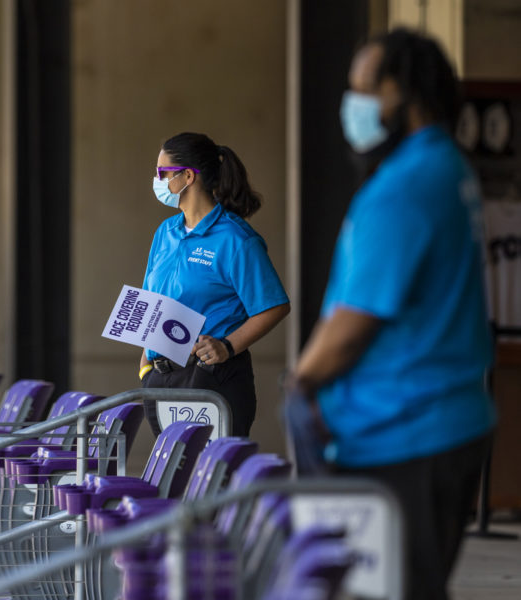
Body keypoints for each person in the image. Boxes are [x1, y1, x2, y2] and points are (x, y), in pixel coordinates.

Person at [289, 28, 495, 600]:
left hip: (404, 432)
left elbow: (353, 326)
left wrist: (302, 379)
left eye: (362, 90)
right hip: (439, 422)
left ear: (402, 91)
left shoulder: (403, 187)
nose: (351, 106)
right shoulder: (448, 168)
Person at [139, 133, 290, 437]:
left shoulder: (236, 239)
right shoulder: (165, 232)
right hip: (161, 379)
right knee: (176, 481)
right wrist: (145, 366)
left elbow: (274, 306)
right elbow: (151, 300)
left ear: (188, 176)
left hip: (209, 376)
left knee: (214, 481)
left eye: (162, 173)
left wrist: (228, 346)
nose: (157, 181)